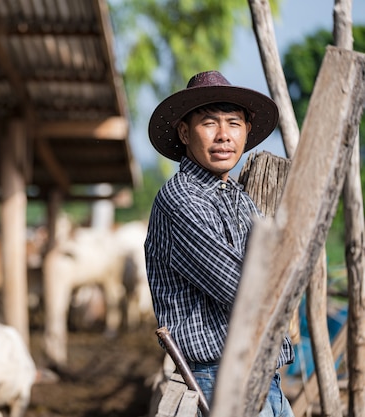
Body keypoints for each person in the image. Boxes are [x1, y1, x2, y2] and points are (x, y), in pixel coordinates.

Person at [144, 70, 295, 416]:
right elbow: (244, 289)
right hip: (219, 378)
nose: (224, 135)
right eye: (209, 123)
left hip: (262, 375)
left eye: (234, 124)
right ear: (184, 132)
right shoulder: (180, 198)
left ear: (246, 132)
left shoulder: (240, 199)